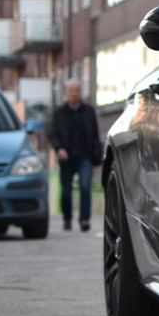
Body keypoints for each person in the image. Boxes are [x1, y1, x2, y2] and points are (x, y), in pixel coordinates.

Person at [48, 80, 102, 232]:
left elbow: (95, 135)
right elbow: (52, 133)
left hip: (84, 157)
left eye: (76, 90)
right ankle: (67, 218)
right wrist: (59, 149)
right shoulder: (59, 113)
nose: (74, 93)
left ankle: (84, 219)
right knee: (66, 191)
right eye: (71, 90)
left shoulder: (88, 111)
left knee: (85, 187)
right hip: (67, 157)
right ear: (66, 92)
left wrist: (95, 157)